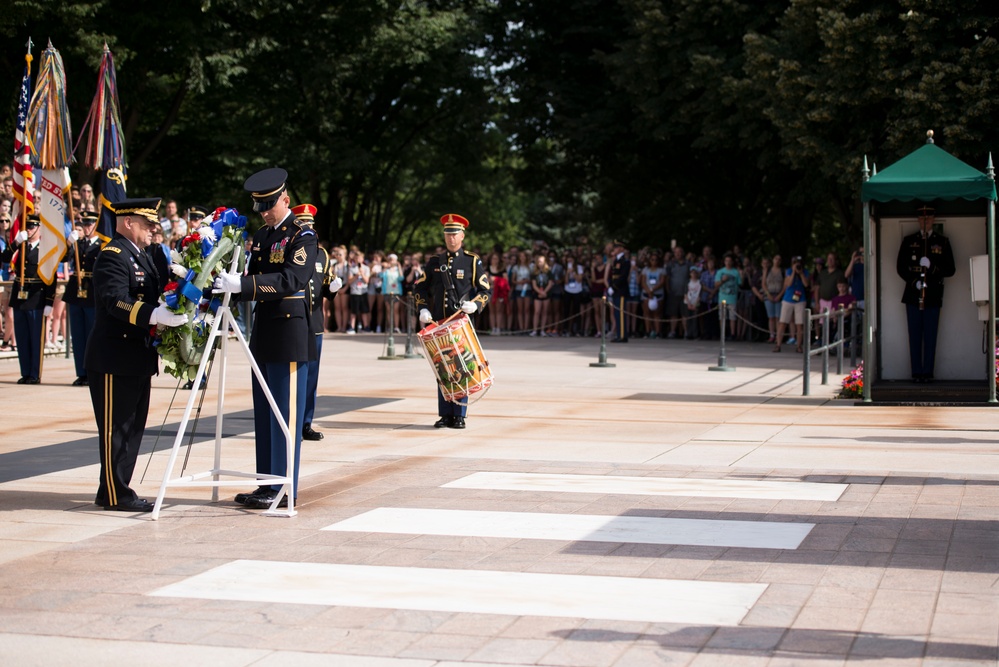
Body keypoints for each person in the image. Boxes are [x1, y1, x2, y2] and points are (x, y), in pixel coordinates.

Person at [214, 168, 318, 509]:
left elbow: (292, 279)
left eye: (269, 204)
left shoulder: (301, 237)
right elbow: (252, 277)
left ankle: (285, 487)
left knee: (285, 413)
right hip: (264, 332)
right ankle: (267, 483)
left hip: (288, 333)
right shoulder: (262, 236)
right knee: (264, 411)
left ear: (286, 199)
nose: (264, 211)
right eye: (260, 206)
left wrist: (243, 286)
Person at [85, 197, 188, 512]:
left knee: (132, 428)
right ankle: (117, 495)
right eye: (147, 224)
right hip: (114, 356)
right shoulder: (113, 256)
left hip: (137, 356)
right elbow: (115, 301)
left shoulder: (141, 255)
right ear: (128, 222)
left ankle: (112, 491)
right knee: (116, 430)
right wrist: (154, 316)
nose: (153, 229)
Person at [415, 213, 491, 429]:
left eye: (454, 234)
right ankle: (445, 413)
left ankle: (459, 414)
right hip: (439, 322)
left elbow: (485, 290)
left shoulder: (471, 261)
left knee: (462, 367)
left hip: (461, 322)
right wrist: (422, 308)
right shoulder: (434, 262)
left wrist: (475, 304)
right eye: (447, 234)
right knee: (443, 368)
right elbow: (419, 287)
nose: (450, 238)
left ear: (462, 236)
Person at [292, 204, 342, 441]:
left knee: (311, 375)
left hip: (315, 322)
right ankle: (291, 421)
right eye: (303, 225)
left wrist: (332, 289)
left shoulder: (322, 254)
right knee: (293, 375)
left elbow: (324, 285)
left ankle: (305, 423)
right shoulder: (291, 249)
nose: (308, 229)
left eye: (310, 225)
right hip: (293, 321)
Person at [896, 204, 955, 382]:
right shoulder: (909, 240)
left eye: (928, 218)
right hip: (913, 295)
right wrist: (914, 282)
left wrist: (933, 268)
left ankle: (928, 372)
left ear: (933, 219)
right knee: (914, 335)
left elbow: (950, 269)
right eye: (921, 218)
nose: (925, 221)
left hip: (933, 295)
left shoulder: (942, 242)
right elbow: (900, 267)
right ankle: (916, 373)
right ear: (918, 220)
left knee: (930, 335)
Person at [0, 214, 55, 383]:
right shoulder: (21, 246)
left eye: (32, 227)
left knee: (35, 338)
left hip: (36, 296)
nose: (29, 230)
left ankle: (34, 374)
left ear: (39, 228)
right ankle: (25, 373)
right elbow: (4, 258)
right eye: (27, 226)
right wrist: (16, 243)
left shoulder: (45, 249)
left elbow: (50, 276)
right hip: (20, 296)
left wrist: (49, 301)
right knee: (23, 337)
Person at [63, 210, 102, 386]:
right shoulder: (76, 244)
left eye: (89, 224)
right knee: (78, 336)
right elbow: (63, 258)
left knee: (91, 335)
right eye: (84, 224)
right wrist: (68, 243)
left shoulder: (102, 245)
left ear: (96, 225)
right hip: (75, 292)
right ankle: (81, 372)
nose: (86, 228)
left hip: (92, 292)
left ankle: (92, 371)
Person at [773, 255, 810, 353]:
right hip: (788, 299)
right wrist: (794, 272)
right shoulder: (789, 271)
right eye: (795, 263)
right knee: (782, 322)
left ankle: (798, 346)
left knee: (799, 324)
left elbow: (806, 284)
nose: (797, 265)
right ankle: (778, 345)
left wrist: (801, 273)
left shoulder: (805, 272)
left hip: (800, 299)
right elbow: (788, 284)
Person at [607, 240, 630, 342]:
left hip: (620, 290)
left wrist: (614, 287)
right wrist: (611, 286)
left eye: (616, 247)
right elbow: (614, 276)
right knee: (616, 313)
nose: (614, 249)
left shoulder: (625, 261)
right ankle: (619, 334)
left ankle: (622, 336)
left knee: (620, 313)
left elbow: (623, 277)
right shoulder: (616, 261)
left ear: (621, 248)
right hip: (616, 291)